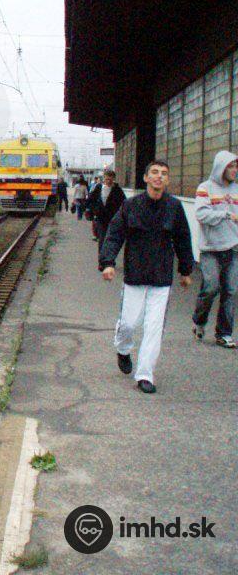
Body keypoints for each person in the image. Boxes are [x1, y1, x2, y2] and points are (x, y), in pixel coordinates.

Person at [99, 160, 194, 394]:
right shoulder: (131, 206)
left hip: (161, 277)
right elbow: (114, 234)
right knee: (128, 324)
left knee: (154, 328)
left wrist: (185, 270)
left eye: (164, 173)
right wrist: (108, 263)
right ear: (146, 178)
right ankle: (123, 349)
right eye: (154, 172)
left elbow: (183, 238)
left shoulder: (174, 207)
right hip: (135, 275)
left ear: (167, 180)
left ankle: (145, 374)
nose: (159, 176)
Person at [191, 150, 238, 348]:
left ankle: (224, 333)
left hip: (233, 247)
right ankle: (199, 321)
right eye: (231, 166)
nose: (235, 170)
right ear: (221, 167)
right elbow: (201, 214)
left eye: (236, 166)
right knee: (211, 288)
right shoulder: (205, 188)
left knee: (231, 291)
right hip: (210, 249)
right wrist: (225, 214)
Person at [87, 169, 126, 247]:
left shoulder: (117, 190)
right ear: (104, 178)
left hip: (113, 218)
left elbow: (124, 203)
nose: (108, 181)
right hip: (100, 217)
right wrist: (90, 210)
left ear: (113, 179)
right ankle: (102, 253)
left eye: (110, 180)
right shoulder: (98, 187)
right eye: (107, 179)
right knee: (102, 237)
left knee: (111, 238)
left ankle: (109, 253)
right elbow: (91, 199)